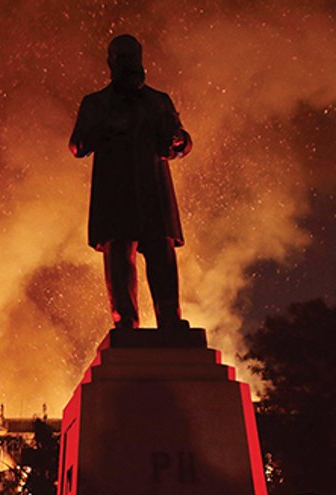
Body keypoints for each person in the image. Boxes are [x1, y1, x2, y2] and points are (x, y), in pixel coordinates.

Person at [69, 34, 192, 329]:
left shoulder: (158, 101)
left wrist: (179, 140)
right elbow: (78, 146)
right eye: (122, 57)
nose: (128, 63)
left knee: (161, 256)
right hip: (116, 193)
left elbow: (180, 142)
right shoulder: (96, 104)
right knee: (120, 258)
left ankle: (170, 320)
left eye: (132, 56)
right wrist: (105, 130)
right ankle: (125, 321)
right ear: (111, 62)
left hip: (152, 190)